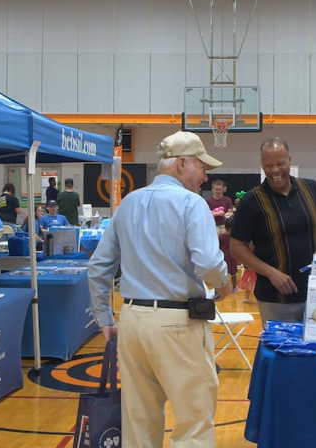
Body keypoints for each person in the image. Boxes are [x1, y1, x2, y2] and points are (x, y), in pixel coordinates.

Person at [87, 130, 232, 447]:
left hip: (133, 320)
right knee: (193, 420)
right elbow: (208, 261)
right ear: (182, 164)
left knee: (139, 421)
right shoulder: (192, 204)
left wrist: (104, 319)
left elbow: (99, 267)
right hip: (177, 323)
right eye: (201, 167)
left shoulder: (128, 204)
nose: (205, 177)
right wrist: (224, 284)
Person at [230, 138, 316, 323]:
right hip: (275, 298)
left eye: (280, 164)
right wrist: (271, 273)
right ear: (262, 166)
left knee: (315, 351)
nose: (275, 170)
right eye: (268, 165)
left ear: (290, 160)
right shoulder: (251, 201)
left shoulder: (312, 189)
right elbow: (237, 247)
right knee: (279, 351)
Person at [219, 216, 237, 288]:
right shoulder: (234, 237)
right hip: (232, 255)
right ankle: (234, 287)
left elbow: (219, 247)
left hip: (223, 256)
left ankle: (223, 287)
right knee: (233, 273)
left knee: (223, 273)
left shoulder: (221, 236)